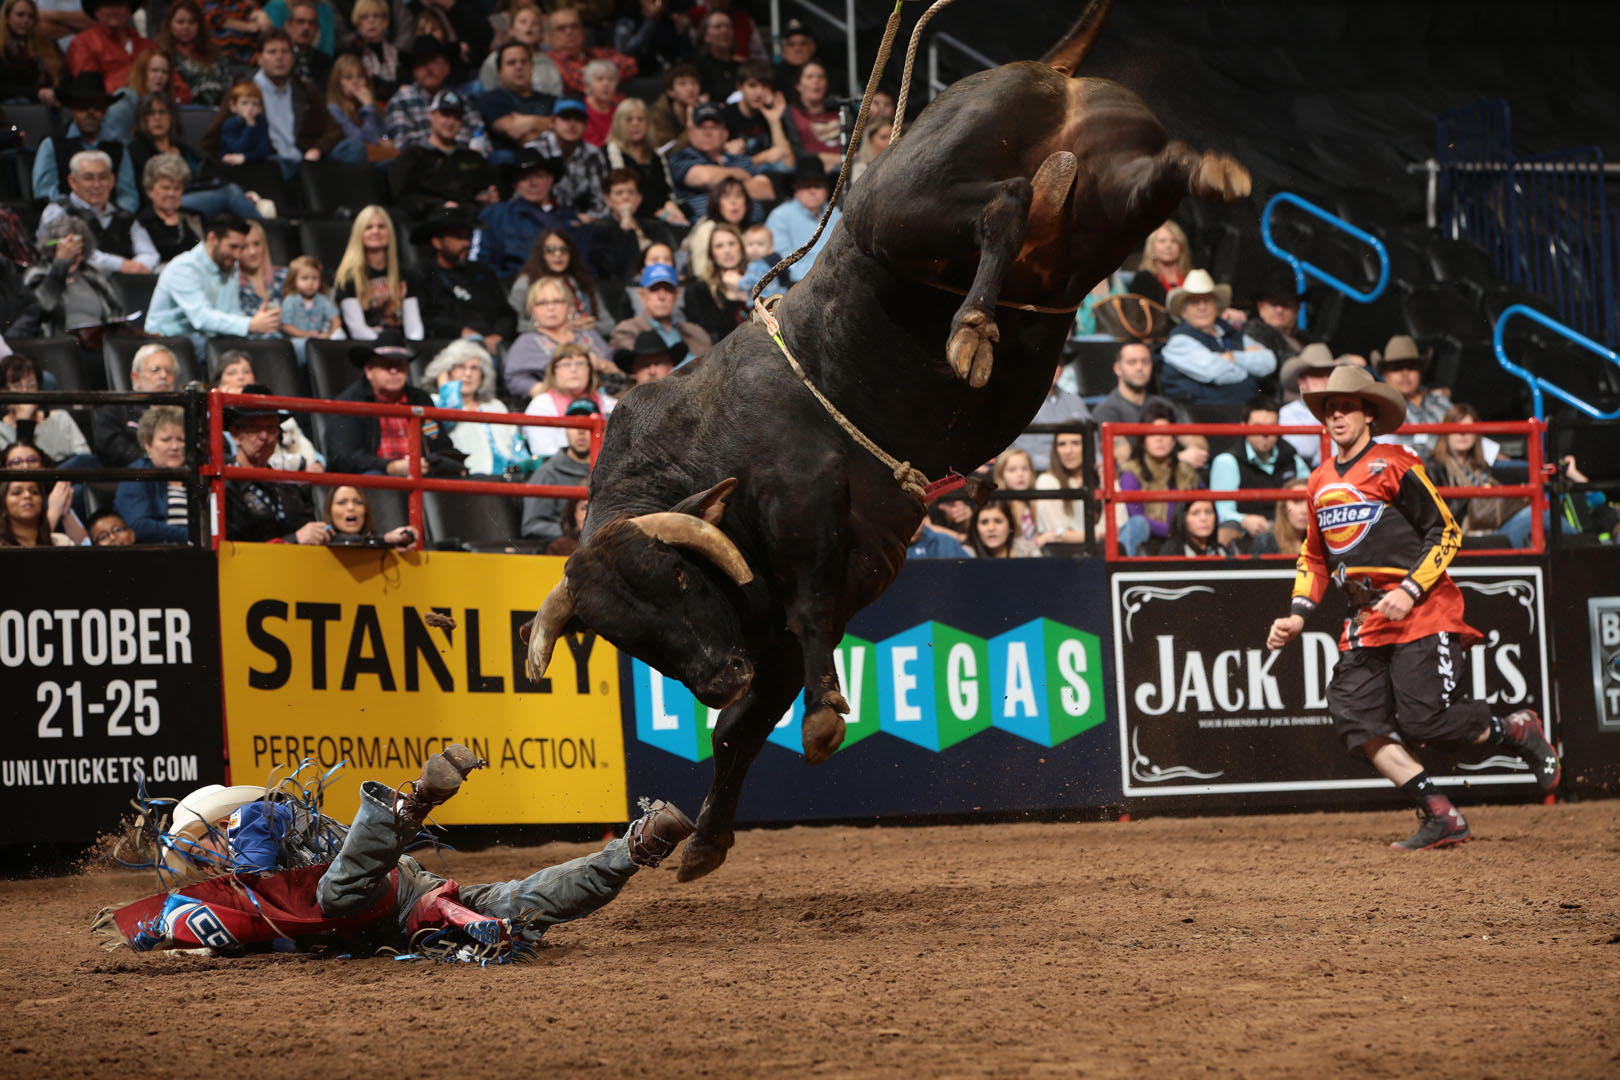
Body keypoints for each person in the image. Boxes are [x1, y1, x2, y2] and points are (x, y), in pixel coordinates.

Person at [1265, 363, 1562, 851]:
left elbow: (1445, 531)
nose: (1336, 415)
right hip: (1366, 619)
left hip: (1422, 611)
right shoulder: (1318, 480)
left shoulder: (1396, 463)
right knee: (1356, 719)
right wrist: (1299, 613)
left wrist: (1408, 589)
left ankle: (1514, 729)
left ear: (1368, 414)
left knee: (1425, 721)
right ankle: (1439, 813)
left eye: (1346, 407)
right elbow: (1314, 557)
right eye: (1330, 408)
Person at [113, 746, 695, 959]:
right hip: (405, 901)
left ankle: (407, 806)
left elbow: (268, 890)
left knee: (332, 895)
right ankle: (636, 845)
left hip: (372, 896)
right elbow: (275, 930)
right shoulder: (271, 826)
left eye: (200, 847)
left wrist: (206, 927)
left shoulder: (250, 819)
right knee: (520, 901)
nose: (206, 862)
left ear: (215, 824)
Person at [147, 213, 281, 357]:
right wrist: (250, 325)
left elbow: (231, 312)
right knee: (226, 354)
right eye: (233, 246)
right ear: (212, 239)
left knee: (257, 348)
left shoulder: (230, 265)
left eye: (241, 248)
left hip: (205, 337)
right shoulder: (184, 268)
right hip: (167, 339)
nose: (237, 255)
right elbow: (201, 318)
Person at [324, 340, 455, 477]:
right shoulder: (349, 403)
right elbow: (343, 457)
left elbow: (441, 444)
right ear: (369, 371)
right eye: (386, 365)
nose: (394, 371)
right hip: (376, 476)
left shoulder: (421, 399)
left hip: (423, 474)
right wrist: (389, 466)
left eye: (400, 365)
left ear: (408, 369)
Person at [128, 93, 263, 222]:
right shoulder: (137, 149)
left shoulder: (185, 150)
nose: (157, 118)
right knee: (230, 193)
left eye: (162, 112)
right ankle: (264, 232)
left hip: (199, 194)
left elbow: (209, 175)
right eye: (151, 113)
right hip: (168, 201)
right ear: (143, 119)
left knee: (233, 192)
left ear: (171, 116)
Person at [221, 385, 329, 544]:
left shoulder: (286, 485)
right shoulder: (227, 486)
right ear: (235, 435)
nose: (264, 436)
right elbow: (235, 550)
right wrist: (295, 539)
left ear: (279, 434)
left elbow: (306, 528)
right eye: (254, 428)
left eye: (271, 427)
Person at [1160, 268, 1276, 405]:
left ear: (1216, 307)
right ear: (1184, 312)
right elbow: (1215, 372)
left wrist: (1232, 357)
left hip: (1245, 408)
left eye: (1207, 301)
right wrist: (1248, 366)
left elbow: (1269, 362)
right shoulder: (1178, 341)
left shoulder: (1230, 332)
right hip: (1202, 412)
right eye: (1195, 302)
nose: (1202, 307)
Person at [36, 148, 158, 275]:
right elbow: (71, 252)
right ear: (73, 182)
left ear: (112, 180)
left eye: (103, 177)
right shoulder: (58, 211)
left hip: (124, 282)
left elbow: (150, 254)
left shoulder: (124, 216)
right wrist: (121, 265)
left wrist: (139, 266)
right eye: (88, 178)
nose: (97, 185)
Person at [30, 71, 139, 213]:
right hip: (65, 219)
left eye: (97, 107)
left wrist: (112, 217)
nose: (90, 112)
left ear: (105, 110)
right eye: (83, 106)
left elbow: (128, 195)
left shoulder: (117, 147)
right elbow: (44, 193)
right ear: (72, 108)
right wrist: (80, 213)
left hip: (109, 220)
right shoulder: (52, 144)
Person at [410, 207, 515, 352]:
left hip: (491, 347)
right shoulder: (422, 274)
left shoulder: (484, 272)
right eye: (459, 237)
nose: (466, 243)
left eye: (467, 237)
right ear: (437, 242)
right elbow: (424, 318)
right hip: (445, 347)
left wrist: (498, 334)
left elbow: (507, 314)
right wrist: (460, 332)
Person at [473, 149, 587, 281]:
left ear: (550, 179)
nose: (532, 183)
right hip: (514, 286)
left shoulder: (569, 218)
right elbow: (481, 263)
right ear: (515, 184)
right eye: (524, 177)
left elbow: (584, 265)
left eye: (539, 176)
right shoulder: (497, 215)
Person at [1209, 394, 1300, 549]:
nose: (1265, 433)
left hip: (1286, 530)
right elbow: (1223, 512)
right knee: (1230, 527)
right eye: (1258, 426)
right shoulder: (1227, 461)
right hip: (1247, 534)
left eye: (1271, 426)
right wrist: (1245, 520)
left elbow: (1308, 496)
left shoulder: (1292, 458)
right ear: (1244, 427)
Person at [1116, 399, 1203, 557]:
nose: (1159, 439)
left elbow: (1206, 503)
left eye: (1165, 433)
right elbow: (1136, 517)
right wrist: (1174, 532)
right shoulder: (1131, 472)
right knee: (1137, 524)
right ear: (1143, 440)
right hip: (1149, 542)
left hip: (1183, 542)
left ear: (1173, 439)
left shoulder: (1187, 472)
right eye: (1153, 433)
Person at [421, 340, 519, 477]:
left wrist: (522, 466)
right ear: (447, 372)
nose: (468, 374)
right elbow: (448, 417)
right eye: (460, 367)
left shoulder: (495, 405)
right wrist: (447, 387)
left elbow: (516, 445)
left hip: (508, 476)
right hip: (466, 477)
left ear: (483, 375)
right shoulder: (434, 403)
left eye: (474, 368)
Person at [212, 349, 321, 470]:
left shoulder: (279, 413)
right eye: (231, 373)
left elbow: (314, 456)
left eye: (246, 372)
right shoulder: (211, 418)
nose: (241, 377)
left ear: (255, 379)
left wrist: (318, 464)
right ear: (219, 384)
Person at [506, 276, 614, 399]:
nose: (550, 308)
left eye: (557, 301)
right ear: (532, 310)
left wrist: (601, 364)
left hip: (603, 400)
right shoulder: (526, 342)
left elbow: (617, 372)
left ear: (569, 306)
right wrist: (546, 393)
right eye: (542, 303)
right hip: (555, 404)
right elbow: (514, 379)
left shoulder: (589, 335)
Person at [25, 212, 128, 340]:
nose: (73, 257)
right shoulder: (37, 274)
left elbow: (117, 312)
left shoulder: (93, 275)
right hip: (57, 346)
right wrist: (61, 264)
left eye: (77, 250)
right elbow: (39, 309)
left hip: (98, 343)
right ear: (53, 250)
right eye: (67, 251)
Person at [669, 102, 774, 222]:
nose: (707, 133)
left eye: (714, 127)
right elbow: (705, 178)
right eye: (702, 127)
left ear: (725, 134)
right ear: (691, 134)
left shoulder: (740, 159)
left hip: (751, 227)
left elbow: (766, 191)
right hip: (710, 227)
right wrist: (740, 175)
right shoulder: (682, 157)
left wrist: (718, 184)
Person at [332, 205, 423, 340]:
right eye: (368, 227)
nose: (376, 231)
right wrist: (383, 344)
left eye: (381, 226)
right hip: (366, 345)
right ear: (359, 234)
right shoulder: (348, 277)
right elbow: (357, 329)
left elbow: (414, 328)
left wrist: (412, 345)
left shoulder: (407, 274)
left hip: (400, 345)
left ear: (389, 232)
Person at [520, 396, 596, 543]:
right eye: (574, 423)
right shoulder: (547, 473)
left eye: (587, 424)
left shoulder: (612, 473)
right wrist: (575, 533)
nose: (580, 430)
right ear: (566, 429)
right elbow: (532, 525)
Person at [507, 227, 608, 336]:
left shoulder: (582, 281)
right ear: (540, 253)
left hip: (586, 340)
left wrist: (590, 326)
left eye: (564, 249)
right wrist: (550, 326)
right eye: (550, 250)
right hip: (542, 341)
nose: (558, 254)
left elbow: (609, 325)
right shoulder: (526, 283)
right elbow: (511, 324)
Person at [521, 341, 614, 459]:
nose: (573, 369)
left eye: (580, 363)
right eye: (566, 364)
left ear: (590, 370)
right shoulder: (541, 405)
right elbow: (544, 452)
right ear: (554, 371)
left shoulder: (608, 404)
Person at [113, 403, 190, 543]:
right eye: (166, 440)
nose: (175, 447)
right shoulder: (137, 473)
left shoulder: (196, 474)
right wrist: (194, 535)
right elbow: (140, 527)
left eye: (181, 440)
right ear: (148, 444)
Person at [603, 97, 686, 225]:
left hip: (664, 213)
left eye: (640, 119)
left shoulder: (656, 155)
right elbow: (623, 194)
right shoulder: (610, 152)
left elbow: (667, 191)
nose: (635, 124)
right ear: (619, 124)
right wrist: (660, 213)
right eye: (629, 120)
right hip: (630, 215)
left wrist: (670, 206)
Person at [93, 342, 177, 466]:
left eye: (169, 371)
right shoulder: (115, 409)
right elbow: (114, 450)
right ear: (136, 377)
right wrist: (152, 462)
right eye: (155, 370)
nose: (163, 375)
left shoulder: (185, 410)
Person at [590, 167, 680, 283]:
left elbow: (670, 257)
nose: (625, 197)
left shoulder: (654, 226)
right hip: (624, 285)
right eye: (619, 193)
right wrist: (624, 228)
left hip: (662, 279)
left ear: (639, 199)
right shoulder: (599, 230)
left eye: (631, 192)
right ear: (608, 200)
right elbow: (611, 266)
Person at [0, 353, 92, 465]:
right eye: (17, 386)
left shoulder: (61, 418)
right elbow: (23, 466)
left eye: (31, 386)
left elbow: (85, 459)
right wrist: (24, 422)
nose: (25, 392)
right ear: (3, 391)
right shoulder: (1, 430)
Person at [1373, 334, 1453, 460]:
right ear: (1384, 374)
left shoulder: (1440, 402)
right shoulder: (1377, 410)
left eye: (1411, 367)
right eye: (1397, 367)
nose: (1405, 373)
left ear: (1420, 371)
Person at [608, 262, 710, 360]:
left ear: (677, 294)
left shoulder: (697, 333)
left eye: (668, 289)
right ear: (642, 295)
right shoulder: (626, 332)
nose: (662, 296)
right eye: (654, 289)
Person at [764, 157, 839, 285]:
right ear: (795, 189)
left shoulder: (836, 214)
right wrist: (823, 276)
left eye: (818, 185)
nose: (812, 191)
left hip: (838, 282)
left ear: (827, 189)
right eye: (806, 186)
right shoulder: (780, 217)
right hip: (796, 286)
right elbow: (783, 263)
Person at [478, 40, 556, 161]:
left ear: (531, 67)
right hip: (510, 165)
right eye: (511, 63)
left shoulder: (550, 100)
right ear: (500, 71)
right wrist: (549, 124)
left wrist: (529, 122)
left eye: (524, 62)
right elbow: (515, 131)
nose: (519, 67)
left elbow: (565, 130)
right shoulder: (490, 99)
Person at [381, 34, 461, 153]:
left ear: (447, 68)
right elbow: (404, 146)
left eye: (434, 61)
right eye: (422, 62)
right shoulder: (401, 100)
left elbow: (479, 140)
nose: (428, 68)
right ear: (414, 71)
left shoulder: (461, 100)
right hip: (421, 162)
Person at [1010, 359, 1091, 474]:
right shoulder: (1019, 403)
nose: (1056, 368)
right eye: (1050, 362)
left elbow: (1092, 438)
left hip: (1076, 470)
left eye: (1059, 364)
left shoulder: (1075, 401)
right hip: (1034, 473)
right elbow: (1020, 448)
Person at [537, 97, 609, 221]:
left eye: (578, 119)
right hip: (541, 220)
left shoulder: (593, 154)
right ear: (552, 122)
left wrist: (584, 219)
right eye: (566, 118)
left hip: (581, 222)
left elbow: (601, 201)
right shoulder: (536, 150)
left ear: (586, 125)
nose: (572, 124)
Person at [100, 45, 190, 143]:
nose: (160, 76)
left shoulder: (167, 102)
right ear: (141, 73)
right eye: (154, 70)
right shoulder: (126, 99)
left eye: (165, 72)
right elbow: (114, 141)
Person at [544, 3, 636, 98]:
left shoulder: (597, 53)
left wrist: (594, 69)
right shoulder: (548, 60)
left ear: (582, 30)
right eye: (561, 28)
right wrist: (607, 72)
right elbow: (575, 82)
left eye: (574, 26)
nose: (569, 31)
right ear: (550, 35)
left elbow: (630, 65)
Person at [65, 0, 155, 97]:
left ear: (129, 10)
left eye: (120, 5)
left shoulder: (148, 45)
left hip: (152, 101)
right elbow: (89, 87)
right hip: (108, 102)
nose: (115, 11)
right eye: (108, 5)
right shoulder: (83, 42)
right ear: (96, 11)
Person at [723, 61, 794, 174]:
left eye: (764, 86)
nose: (759, 93)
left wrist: (774, 121)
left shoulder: (774, 112)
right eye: (752, 85)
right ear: (740, 86)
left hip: (771, 174)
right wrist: (762, 158)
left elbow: (788, 163)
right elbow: (721, 164)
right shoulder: (726, 114)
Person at [478, 3, 562, 98]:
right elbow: (486, 91)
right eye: (523, 22)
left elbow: (555, 93)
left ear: (541, 32)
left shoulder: (547, 61)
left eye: (534, 23)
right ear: (511, 30)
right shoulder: (495, 59)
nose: (529, 27)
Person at [158, 1, 232, 107]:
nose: (186, 27)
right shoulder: (162, 55)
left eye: (192, 22)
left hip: (217, 109)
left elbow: (228, 87)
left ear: (199, 25)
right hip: (179, 109)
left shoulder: (215, 54)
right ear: (170, 24)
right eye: (180, 22)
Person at [136, 152, 204, 267]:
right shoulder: (140, 223)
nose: (171, 194)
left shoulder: (195, 217)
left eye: (176, 188)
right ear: (150, 190)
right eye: (165, 188)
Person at [684, 220, 747, 342]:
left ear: (741, 248)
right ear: (712, 254)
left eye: (731, 244)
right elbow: (712, 335)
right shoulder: (699, 289)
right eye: (719, 246)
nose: (727, 251)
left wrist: (746, 295)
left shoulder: (759, 278)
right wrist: (732, 297)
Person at [1277, 342, 1338, 467]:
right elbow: (1304, 450)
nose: (1327, 380)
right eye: (1318, 374)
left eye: (1330, 374)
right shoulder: (1288, 413)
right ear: (1302, 381)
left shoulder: (1346, 410)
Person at [0, 0, 66, 108]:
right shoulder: (2, 49)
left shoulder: (49, 45)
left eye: (31, 17)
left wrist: (53, 93)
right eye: (20, 15)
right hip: (11, 108)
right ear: (7, 17)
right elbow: (3, 88)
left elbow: (64, 78)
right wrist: (37, 93)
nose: (26, 20)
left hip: (50, 105)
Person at [1034, 429, 1095, 546]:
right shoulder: (1047, 481)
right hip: (1065, 552)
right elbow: (1057, 532)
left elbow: (1118, 524)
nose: (1068, 451)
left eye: (1075, 443)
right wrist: (1098, 535)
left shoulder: (1102, 478)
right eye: (1062, 444)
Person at [1243, 265, 1313, 364]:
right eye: (1274, 304)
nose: (1279, 310)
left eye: (1286, 305)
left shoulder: (1305, 338)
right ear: (1260, 307)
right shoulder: (1254, 331)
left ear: (1297, 308)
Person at [277, 254, 340, 361]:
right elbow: (285, 325)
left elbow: (335, 319)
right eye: (304, 278)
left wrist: (329, 334)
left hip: (319, 339)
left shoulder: (322, 299)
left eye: (315, 278)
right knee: (298, 346)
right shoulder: (290, 300)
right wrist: (305, 334)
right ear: (294, 281)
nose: (310, 283)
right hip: (298, 339)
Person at [325, 54, 388, 154]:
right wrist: (368, 108)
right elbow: (361, 141)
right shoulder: (333, 109)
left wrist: (385, 139)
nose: (355, 81)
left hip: (376, 155)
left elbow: (384, 134)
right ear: (338, 82)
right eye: (348, 77)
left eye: (360, 76)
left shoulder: (372, 105)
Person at [787, 60, 842, 172]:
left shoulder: (840, 110)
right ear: (798, 86)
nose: (816, 81)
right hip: (808, 171)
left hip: (845, 169)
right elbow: (795, 153)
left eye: (821, 77)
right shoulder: (791, 113)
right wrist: (836, 159)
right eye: (809, 77)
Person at [322, 484, 415, 547]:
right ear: (329, 510)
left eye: (358, 502)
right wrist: (386, 539)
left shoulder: (380, 541)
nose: (351, 507)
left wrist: (403, 539)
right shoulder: (320, 540)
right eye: (342, 502)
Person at [344, 0, 400, 102]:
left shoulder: (397, 54)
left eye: (377, 16)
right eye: (365, 17)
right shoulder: (351, 53)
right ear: (357, 23)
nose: (371, 21)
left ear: (386, 21)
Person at [1126, 221, 1190, 306]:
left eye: (1174, 241)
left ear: (1181, 247)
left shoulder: (1191, 276)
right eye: (1162, 241)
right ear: (1151, 248)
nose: (1168, 245)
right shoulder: (1143, 280)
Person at [235, 220, 285, 319]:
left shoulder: (285, 276)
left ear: (264, 246)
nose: (252, 252)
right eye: (244, 247)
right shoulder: (233, 287)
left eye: (256, 244)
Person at [1249, 476, 1309, 557]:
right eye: (1297, 502)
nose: (1304, 510)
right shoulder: (1266, 542)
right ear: (1283, 507)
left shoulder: (1322, 540)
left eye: (1310, 502)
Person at [0, 478, 72, 545]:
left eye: (34, 492)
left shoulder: (61, 542)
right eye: (17, 492)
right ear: (3, 503)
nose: (27, 495)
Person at [646, 60, 700, 150]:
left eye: (694, 82)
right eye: (682, 84)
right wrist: (691, 126)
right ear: (670, 92)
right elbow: (667, 153)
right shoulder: (659, 115)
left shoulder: (704, 109)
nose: (690, 88)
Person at [202, 0, 271, 67]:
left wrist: (260, 15)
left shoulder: (235, 3)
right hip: (225, 60)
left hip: (252, 57)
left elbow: (250, 11)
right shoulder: (205, 5)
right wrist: (248, 26)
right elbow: (214, 18)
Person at [1154, 499, 1232, 558]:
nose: (1204, 518)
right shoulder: (1172, 550)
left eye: (1208, 512)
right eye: (1195, 513)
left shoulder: (1220, 550)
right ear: (1183, 518)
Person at [282, 0, 331, 91]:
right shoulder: (279, 57)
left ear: (317, 29)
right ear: (288, 25)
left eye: (311, 23)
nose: (306, 27)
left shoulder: (325, 62)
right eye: (300, 21)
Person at [691, 7, 738, 100]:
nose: (724, 30)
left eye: (729, 26)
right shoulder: (697, 67)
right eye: (718, 27)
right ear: (706, 36)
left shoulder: (741, 67)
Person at [611, 329, 684, 386]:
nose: (652, 371)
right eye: (644, 365)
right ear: (633, 369)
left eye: (657, 363)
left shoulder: (687, 397)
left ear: (671, 365)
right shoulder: (621, 401)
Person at [968, 501, 1038, 559]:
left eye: (998, 521)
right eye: (984, 522)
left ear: (1010, 525)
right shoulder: (967, 555)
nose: (991, 528)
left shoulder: (1028, 551)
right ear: (975, 527)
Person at [581, 57, 623, 147]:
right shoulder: (580, 110)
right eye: (599, 79)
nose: (606, 84)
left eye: (611, 80)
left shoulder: (619, 112)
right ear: (588, 84)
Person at [906, 514, 972, 559]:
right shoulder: (899, 550)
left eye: (917, 517)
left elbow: (969, 569)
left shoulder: (947, 542)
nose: (912, 524)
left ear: (926, 518)